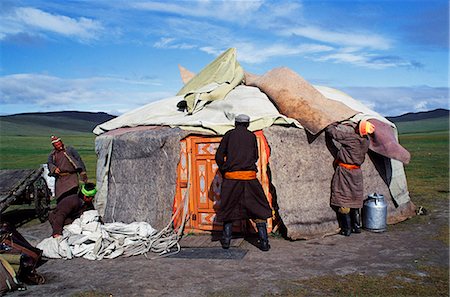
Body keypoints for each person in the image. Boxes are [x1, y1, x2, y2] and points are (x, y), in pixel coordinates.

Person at [215, 114, 272, 251]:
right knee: (258, 208)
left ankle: (226, 241)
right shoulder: (252, 136)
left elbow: (218, 156)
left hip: (232, 179)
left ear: (235, 123)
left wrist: (224, 170)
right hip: (249, 179)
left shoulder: (229, 135)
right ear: (247, 124)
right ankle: (264, 243)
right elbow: (255, 156)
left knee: (229, 208)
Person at [326, 119, 375, 236]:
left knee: (344, 198)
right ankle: (356, 227)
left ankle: (346, 229)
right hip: (357, 173)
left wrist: (333, 123)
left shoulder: (352, 139)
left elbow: (333, 133)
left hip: (345, 172)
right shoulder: (366, 141)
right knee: (355, 198)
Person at [47, 135, 88, 200]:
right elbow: (49, 163)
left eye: (59, 143)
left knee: (72, 194)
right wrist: (54, 169)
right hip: (60, 179)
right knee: (61, 197)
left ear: (61, 142)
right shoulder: (52, 154)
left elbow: (78, 159)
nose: (59, 145)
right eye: (56, 145)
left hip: (72, 177)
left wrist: (82, 172)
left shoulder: (70, 150)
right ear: (54, 146)